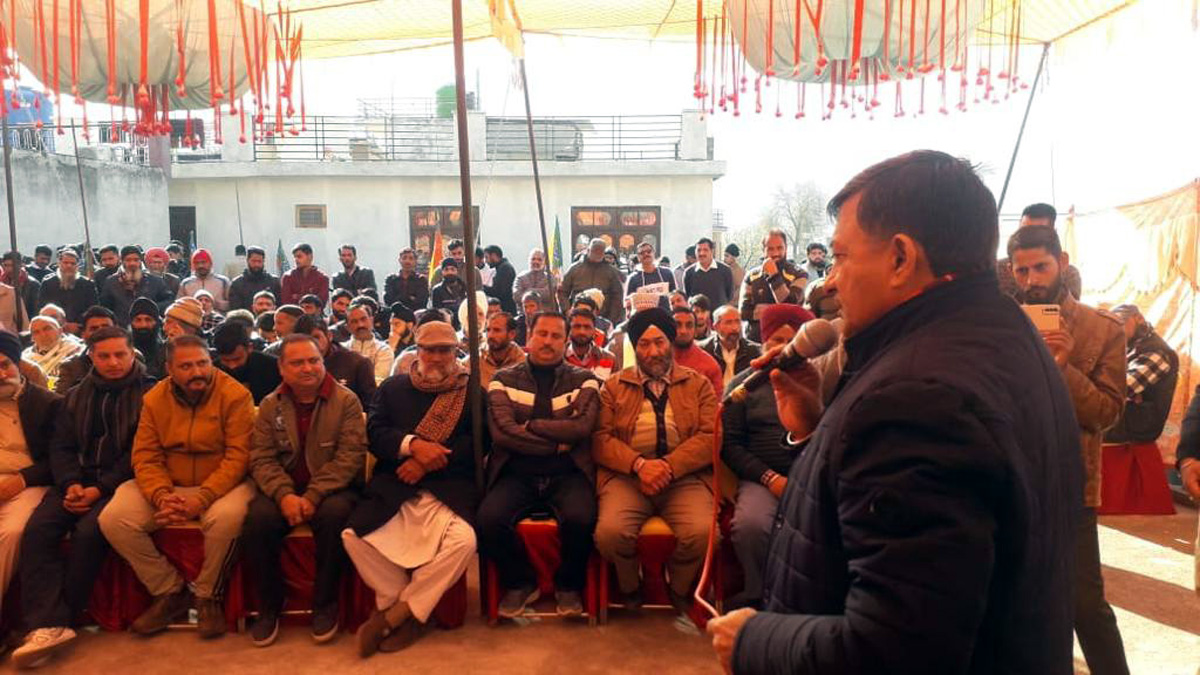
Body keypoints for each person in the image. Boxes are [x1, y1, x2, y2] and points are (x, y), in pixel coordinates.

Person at [709, 150, 1083, 675]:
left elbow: (895, 650)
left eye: (841, 257)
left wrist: (755, 641)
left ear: (901, 258)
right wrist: (820, 429)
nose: (831, 282)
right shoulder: (1007, 336)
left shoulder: (917, 398)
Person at [1009, 224, 1129, 675]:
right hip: (1009, 478)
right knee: (1018, 603)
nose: (1032, 279)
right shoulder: (1003, 323)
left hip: (1071, 485)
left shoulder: (1103, 329)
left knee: (1084, 605)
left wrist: (1062, 367)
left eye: (1040, 266)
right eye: (1021, 271)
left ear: (1061, 262)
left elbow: (1106, 411)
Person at [11, 326, 155, 668]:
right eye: (103, 356)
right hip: (74, 480)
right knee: (38, 530)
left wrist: (99, 488)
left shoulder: (150, 394)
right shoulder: (77, 394)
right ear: (90, 357)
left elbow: (139, 453)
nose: (113, 362)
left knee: (90, 533)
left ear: (132, 353)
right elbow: (60, 446)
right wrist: (71, 482)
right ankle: (43, 624)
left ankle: (60, 619)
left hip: (120, 483)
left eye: (120, 354)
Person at [98, 334, 256, 639]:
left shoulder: (235, 395)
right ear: (169, 368)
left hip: (222, 484)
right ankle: (169, 590)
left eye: (202, 363)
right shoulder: (154, 398)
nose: (197, 372)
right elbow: (145, 455)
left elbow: (239, 457)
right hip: (168, 485)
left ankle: (208, 595)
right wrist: (161, 496)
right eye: (186, 366)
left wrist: (204, 497)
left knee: (228, 518)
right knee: (114, 517)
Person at [342, 321, 479, 657]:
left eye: (444, 350)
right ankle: (404, 609)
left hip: (449, 487)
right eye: (429, 349)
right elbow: (375, 433)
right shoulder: (392, 388)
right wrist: (412, 446)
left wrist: (429, 461)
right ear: (417, 351)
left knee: (465, 542)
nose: (436, 357)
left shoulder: (471, 390)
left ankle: (397, 615)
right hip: (396, 485)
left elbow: (478, 442)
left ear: (455, 352)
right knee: (353, 536)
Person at [244, 334, 366, 647]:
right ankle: (269, 607)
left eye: (314, 360)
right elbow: (261, 458)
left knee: (335, 515)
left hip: (333, 490)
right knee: (258, 518)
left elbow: (350, 458)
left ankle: (325, 604)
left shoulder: (347, 401)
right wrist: (284, 494)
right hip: (284, 490)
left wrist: (312, 495)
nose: (308, 368)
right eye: (297, 363)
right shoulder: (271, 405)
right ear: (282, 369)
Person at [593, 307, 716, 615]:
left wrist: (669, 466)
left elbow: (711, 436)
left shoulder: (698, 384)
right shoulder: (613, 387)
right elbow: (600, 440)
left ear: (671, 343)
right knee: (609, 533)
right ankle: (630, 585)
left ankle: (679, 586)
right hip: (628, 477)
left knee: (702, 532)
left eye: (660, 342)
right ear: (635, 348)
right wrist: (639, 465)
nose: (653, 351)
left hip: (685, 477)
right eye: (644, 344)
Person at [480, 311, 600, 618]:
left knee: (582, 519)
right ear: (529, 336)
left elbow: (581, 428)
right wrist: (557, 442)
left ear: (566, 340)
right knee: (488, 520)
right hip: (516, 472)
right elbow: (503, 433)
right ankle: (520, 582)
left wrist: (531, 426)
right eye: (542, 334)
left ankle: (568, 586)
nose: (548, 341)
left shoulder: (585, 379)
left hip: (568, 471)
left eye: (556, 336)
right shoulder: (502, 379)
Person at [719, 305, 809, 610]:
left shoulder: (819, 379)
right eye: (775, 342)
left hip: (809, 476)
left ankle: (800, 598)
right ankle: (759, 594)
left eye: (791, 341)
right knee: (750, 526)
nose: (782, 350)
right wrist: (769, 479)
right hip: (761, 477)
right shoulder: (744, 385)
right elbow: (730, 445)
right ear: (763, 343)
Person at [0, 331, 62, 617]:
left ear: (18, 364)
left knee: (11, 532)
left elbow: (59, 460)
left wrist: (22, 479)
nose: (0, 374)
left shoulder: (47, 404)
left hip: (27, 483)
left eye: (4, 365)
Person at [1104, 304, 1179, 445]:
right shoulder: (1133, 346)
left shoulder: (1156, 352)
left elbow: (1123, 388)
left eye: (1120, 324)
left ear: (1138, 318)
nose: (1116, 331)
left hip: (1137, 425)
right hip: (1127, 418)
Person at [997, 203, 1082, 299]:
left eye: (1041, 267)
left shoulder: (1069, 274)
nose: (1031, 280)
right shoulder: (998, 271)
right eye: (1024, 231)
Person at [739, 229, 809, 342]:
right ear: (763, 250)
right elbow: (744, 312)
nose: (775, 253)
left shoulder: (799, 274)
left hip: (787, 342)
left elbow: (789, 306)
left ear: (786, 248)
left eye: (780, 248)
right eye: (770, 249)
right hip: (755, 342)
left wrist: (773, 275)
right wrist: (778, 312)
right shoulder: (752, 276)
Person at [295, 315, 375, 408]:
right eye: (305, 340)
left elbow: (370, 409)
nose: (312, 345)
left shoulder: (357, 363)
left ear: (329, 336)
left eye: (316, 337)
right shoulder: (291, 365)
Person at [99, 246, 174, 327]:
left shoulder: (155, 281)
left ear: (140, 261)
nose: (132, 263)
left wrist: (149, 308)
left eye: (136, 260)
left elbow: (168, 301)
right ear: (122, 261)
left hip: (150, 328)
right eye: (128, 260)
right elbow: (105, 307)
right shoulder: (111, 282)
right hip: (122, 329)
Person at [558, 238, 626, 325]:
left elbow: (617, 297)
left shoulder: (611, 272)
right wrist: (567, 310)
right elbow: (562, 291)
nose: (597, 255)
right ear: (588, 250)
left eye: (600, 253)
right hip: (577, 317)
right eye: (595, 252)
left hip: (603, 318)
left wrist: (611, 319)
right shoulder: (574, 269)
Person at [212, 321, 282, 405]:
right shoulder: (212, 373)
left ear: (249, 348)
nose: (232, 366)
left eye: (237, 359)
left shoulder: (274, 368)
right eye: (226, 360)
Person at [54, 307, 118, 394]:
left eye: (106, 327)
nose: (101, 332)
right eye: (94, 329)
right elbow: (61, 402)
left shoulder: (132, 358)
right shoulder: (71, 367)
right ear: (83, 335)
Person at [37, 249, 97, 335]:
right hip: (54, 330)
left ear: (77, 266)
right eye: (65, 263)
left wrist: (79, 325)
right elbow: (42, 309)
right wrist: (61, 325)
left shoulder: (87, 284)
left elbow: (93, 310)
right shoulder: (48, 283)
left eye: (73, 263)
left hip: (81, 330)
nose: (69, 266)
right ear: (59, 263)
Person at [670, 306, 723, 397]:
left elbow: (717, 405)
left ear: (695, 331)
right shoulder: (658, 359)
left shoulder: (710, 366)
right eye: (678, 325)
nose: (683, 331)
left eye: (689, 325)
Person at [704, 305, 761, 389]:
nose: (734, 328)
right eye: (729, 322)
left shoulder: (755, 351)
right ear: (716, 327)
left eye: (737, 322)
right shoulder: (705, 350)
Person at [343, 300, 394, 383]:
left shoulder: (384, 350)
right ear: (347, 327)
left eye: (363, 319)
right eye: (354, 322)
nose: (360, 325)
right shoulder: (342, 350)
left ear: (371, 320)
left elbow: (378, 382)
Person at [22, 316, 83, 381]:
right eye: (36, 332)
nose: (43, 335)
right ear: (32, 338)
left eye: (47, 329)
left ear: (60, 331)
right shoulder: (24, 358)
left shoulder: (75, 349)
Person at [682, 238, 735, 308]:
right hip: (698, 316)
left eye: (705, 250)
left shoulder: (725, 271)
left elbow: (729, 295)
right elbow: (688, 296)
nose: (701, 253)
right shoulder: (689, 273)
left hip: (718, 316)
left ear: (712, 251)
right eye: (699, 250)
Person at [564, 308, 615, 380]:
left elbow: (616, 388)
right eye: (577, 326)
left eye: (587, 327)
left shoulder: (608, 358)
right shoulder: (558, 358)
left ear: (595, 331)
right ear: (569, 330)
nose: (582, 332)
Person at [229, 246, 283, 313]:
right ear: (248, 260)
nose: (256, 264)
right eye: (254, 261)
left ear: (263, 262)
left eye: (259, 261)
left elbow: (279, 306)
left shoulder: (273, 281)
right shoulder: (237, 283)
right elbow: (235, 309)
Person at [479, 312, 524, 386]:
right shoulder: (473, 362)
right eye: (488, 330)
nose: (490, 335)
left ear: (511, 334)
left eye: (497, 330)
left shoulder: (523, 365)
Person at [280, 243, 330, 307]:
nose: (296, 260)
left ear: (310, 257)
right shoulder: (288, 277)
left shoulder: (322, 278)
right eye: (295, 257)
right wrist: (311, 297)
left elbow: (321, 303)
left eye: (299, 256)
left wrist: (297, 297)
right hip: (293, 315)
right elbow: (286, 302)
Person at [129, 297, 167, 380]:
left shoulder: (166, 351)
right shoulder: (125, 351)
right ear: (131, 323)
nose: (143, 325)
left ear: (156, 322)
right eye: (138, 320)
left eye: (148, 320)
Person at [512, 249, 556, 314]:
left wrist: (528, 291)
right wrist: (539, 292)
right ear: (529, 261)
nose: (536, 262)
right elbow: (516, 296)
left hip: (544, 315)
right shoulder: (521, 277)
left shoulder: (550, 278)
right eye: (533, 259)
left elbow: (549, 294)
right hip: (524, 315)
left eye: (539, 260)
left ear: (544, 262)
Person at [2, 252, 41, 321]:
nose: (9, 269)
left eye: (12, 265)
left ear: (20, 265)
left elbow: (35, 312)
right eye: (6, 265)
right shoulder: (1, 282)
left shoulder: (32, 284)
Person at [431, 258, 468, 330]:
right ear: (442, 272)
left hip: (464, 326)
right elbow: (437, 313)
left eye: (452, 269)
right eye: (446, 269)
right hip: (445, 328)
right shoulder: (437, 290)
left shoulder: (465, 288)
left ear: (457, 271)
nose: (449, 272)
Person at [483, 245, 517, 315]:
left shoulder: (505, 268)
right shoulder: (502, 268)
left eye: (486, 257)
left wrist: (481, 287)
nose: (486, 261)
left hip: (507, 309)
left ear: (494, 255)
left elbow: (499, 292)